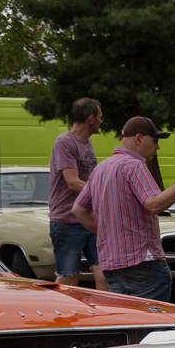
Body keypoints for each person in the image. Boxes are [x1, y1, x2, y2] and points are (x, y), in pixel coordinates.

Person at [71, 116, 175, 301]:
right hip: (143, 263)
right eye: (155, 140)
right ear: (139, 138)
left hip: (112, 265)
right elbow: (154, 204)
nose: (157, 147)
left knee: (127, 323)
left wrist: (106, 230)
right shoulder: (135, 166)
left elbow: (78, 209)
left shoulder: (100, 169)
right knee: (154, 324)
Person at [49, 97, 104, 288]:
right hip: (66, 220)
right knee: (68, 278)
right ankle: (57, 314)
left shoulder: (86, 142)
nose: (101, 121)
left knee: (105, 271)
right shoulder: (65, 142)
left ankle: (105, 314)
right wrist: (105, 192)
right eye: (99, 117)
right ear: (90, 118)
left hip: (89, 217)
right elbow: (72, 183)